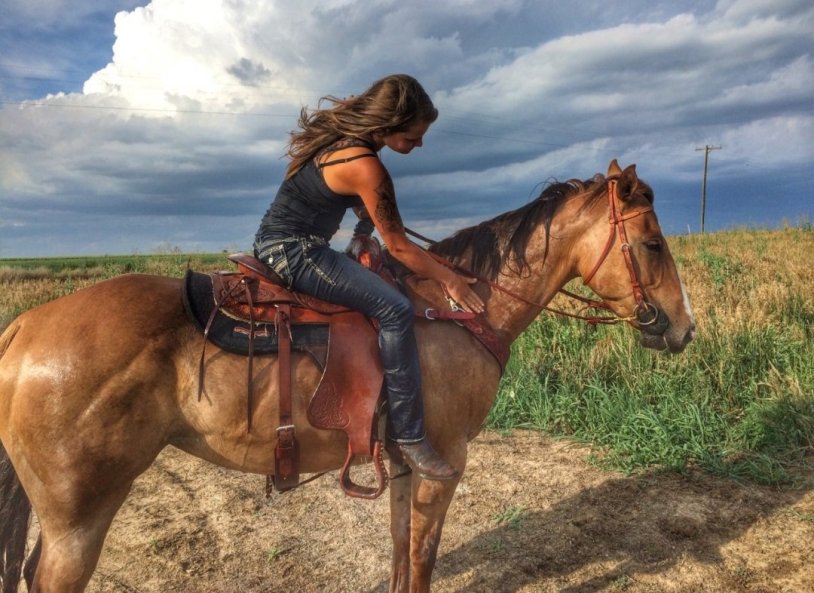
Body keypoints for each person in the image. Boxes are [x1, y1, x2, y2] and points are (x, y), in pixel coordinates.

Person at [254, 74, 484, 480]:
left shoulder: (341, 141)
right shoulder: (366, 166)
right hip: (297, 251)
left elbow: (358, 208)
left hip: (277, 243)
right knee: (395, 309)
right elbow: (399, 247)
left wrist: (362, 230)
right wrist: (450, 279)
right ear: (387, 125)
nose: (420, 144)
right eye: (413, 137)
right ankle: (410, 436)